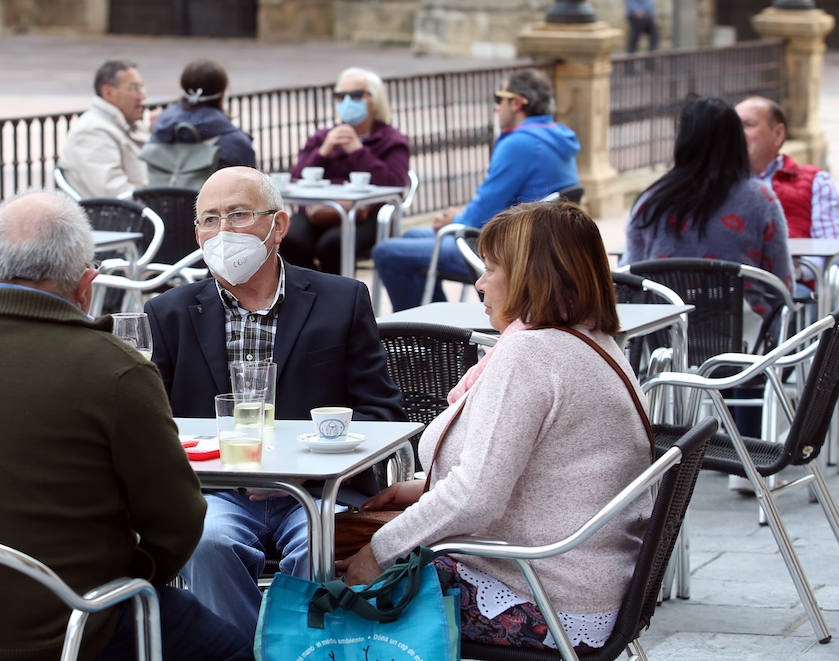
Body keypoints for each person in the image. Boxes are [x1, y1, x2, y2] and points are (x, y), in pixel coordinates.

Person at [0, 190, 250, 661]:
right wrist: (133, 577)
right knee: (235, 650)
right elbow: (179, 521)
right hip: (76, 625)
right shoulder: (115, 368)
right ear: (87, 285)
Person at [341, 201, 654, 652]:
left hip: (541, 593)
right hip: (590, 584)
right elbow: (548, 469)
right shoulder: (594, 341)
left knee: (320, 568)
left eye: (491, 269)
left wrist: (379, 551)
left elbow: (476, 497)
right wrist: (428, 486)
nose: (480, 283)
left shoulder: (530, 355)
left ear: (531, 276)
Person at [146, 166, 404, 639]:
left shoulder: (341, 300)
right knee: (206, 541)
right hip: (218, 493)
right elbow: (152, 423)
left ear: (278, 226)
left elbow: (382, 413)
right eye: (209, 220)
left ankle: (310, 649)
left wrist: (306, 460)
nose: (223, 232)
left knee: (318, 544)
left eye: (239, 214)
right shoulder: (168, 312)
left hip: (318, 493)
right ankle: (242, 651)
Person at [372, 68, 580, 310]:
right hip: (533, 242)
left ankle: (431, 335)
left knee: (387, 252)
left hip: (508, 250)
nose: (496, 107)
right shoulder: (556, 134)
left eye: (499, 98)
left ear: (517, 103)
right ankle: (438, 323)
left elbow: (478, 218)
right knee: (410, 237)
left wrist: (454, 219)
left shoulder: (519, 143)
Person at [623, 96, 792, 290]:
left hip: (667, 316)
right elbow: (782, 284)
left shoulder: (650, 201)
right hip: (741, 318)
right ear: (736, 140)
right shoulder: (760, 199)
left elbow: (630, 277)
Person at [279, 67, 409, 275]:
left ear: (374, 100)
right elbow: (295, 178)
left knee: (332, 244)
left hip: (367, 216)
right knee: (289, 239)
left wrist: (358, 151)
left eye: (356, 95)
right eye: (341, 96)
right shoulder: (322, 137)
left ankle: (339, 300)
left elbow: (395, 185)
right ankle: (313, 294)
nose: (347, 102)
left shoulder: (392, 141)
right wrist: (324, 150)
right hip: (318, 212)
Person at [736, 95, 839, 292]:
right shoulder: (717, 183)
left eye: (748, 124)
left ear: (778, 133)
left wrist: (795, 272)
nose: (737, 133)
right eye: (733, 126)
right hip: (731, 287)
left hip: (794, 288)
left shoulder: (815, 180)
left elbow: (836, 250)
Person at [58, 59, 151, 198]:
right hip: (120, 216)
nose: (143, 96)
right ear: (108, 93)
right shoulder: (92, 131)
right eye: (134, 88)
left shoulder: (126, 122)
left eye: (141, 88)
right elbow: (114, 194)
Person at [147, 58, 256, 169]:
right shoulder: (236, 143)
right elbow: (250, 183)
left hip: (163, 186)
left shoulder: (162, 128)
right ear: (222, 95)